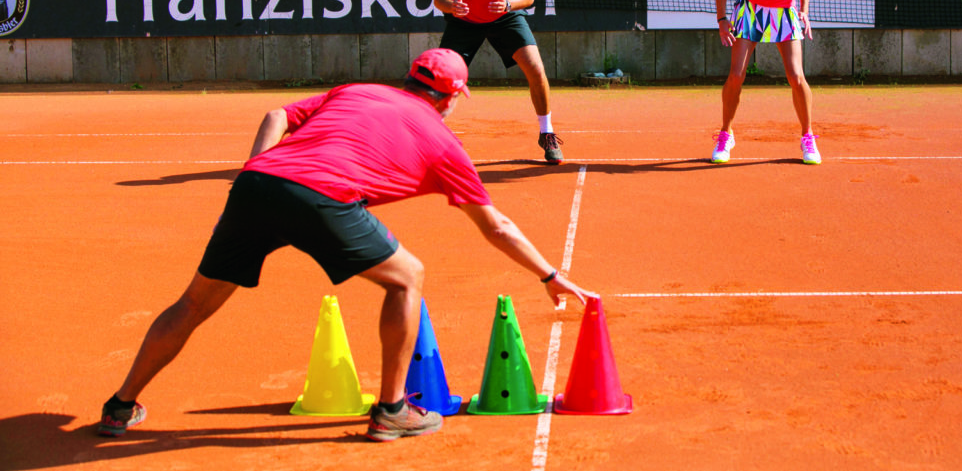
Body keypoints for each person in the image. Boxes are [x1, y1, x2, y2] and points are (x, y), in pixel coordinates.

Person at [97, 48, 593, 442]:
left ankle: (121, 405)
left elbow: (276, 114)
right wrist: (549, 276)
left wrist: (255, 169)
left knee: (193, 304)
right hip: (320, 197)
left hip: (256, 184)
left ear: (409, 79)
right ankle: (393, 411)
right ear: (451, 97)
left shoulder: (358, 90)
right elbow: (497, 227)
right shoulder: (443, 142)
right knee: (408, 277)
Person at [433, 0, 564, 165]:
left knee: (536, 69)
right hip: (464, 20)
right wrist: (452, 6)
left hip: (503, 15)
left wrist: (507, 4)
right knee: (440, 80)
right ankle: (430, 140)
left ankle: (547, 132)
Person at [712, 0, 821, 165]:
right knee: (736, 75)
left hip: (784, 12)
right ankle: (726, 134)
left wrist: (804, 11)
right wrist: (722, 19)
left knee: (796, 76)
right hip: (751, 12)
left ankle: (808, 138)